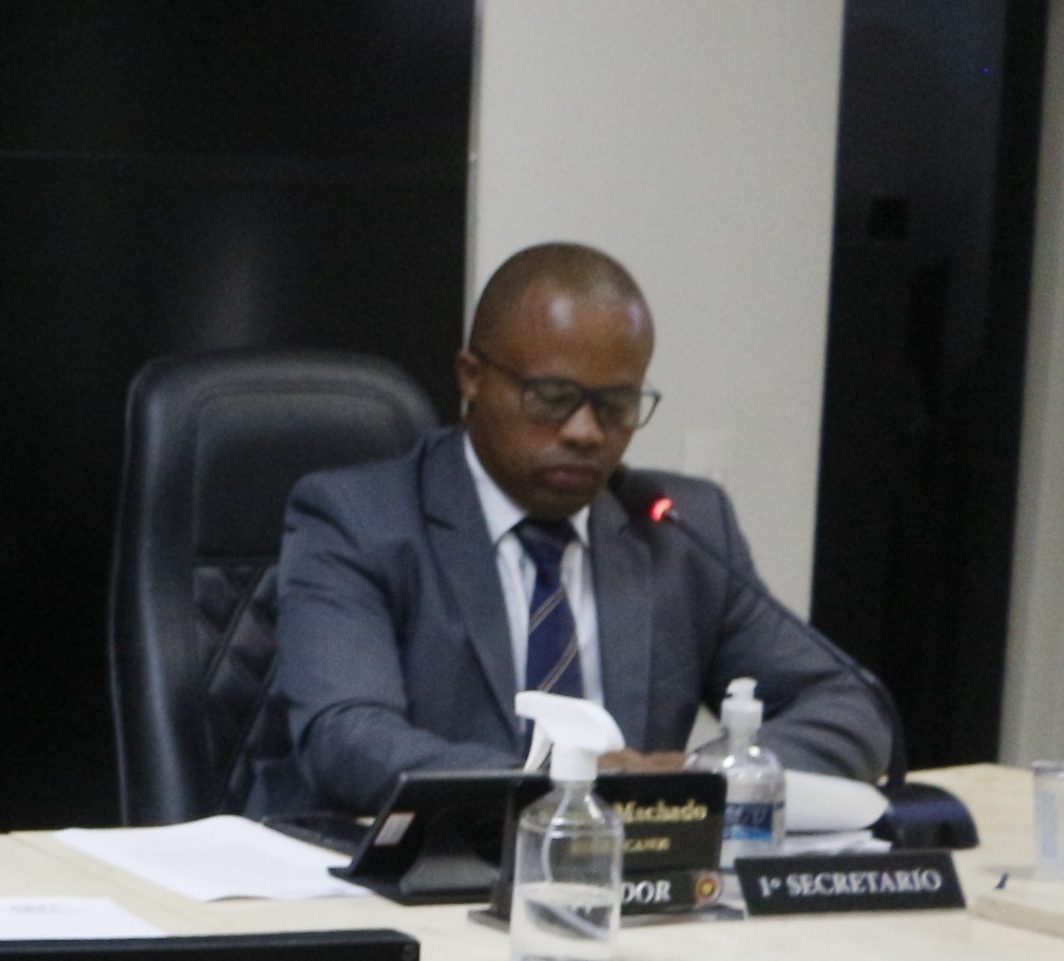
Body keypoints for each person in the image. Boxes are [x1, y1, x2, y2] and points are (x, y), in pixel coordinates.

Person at [248, 240, 891, 816]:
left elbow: (852, 706)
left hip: (620, 882)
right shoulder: (359, 519)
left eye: (617, 406)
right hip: (413, 873)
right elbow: (348, 738)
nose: (585, 432)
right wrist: (568, 785)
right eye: (553, 399)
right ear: (472, 378)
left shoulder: (680, 529)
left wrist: (703, 777)